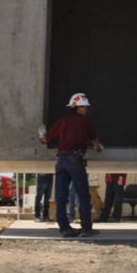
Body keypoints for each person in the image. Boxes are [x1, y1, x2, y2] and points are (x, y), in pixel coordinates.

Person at [40, 92, 103, 237]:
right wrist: (98, 148)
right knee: (83, 195)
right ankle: (87, 229)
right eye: (84, 107)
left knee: (61, 197)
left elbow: (46, 139)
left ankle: (65, 229)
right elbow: (94, 139)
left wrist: (41, 136)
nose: (86, 109)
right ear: (77, 107)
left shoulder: (62, 121)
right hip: (75, 161)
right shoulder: (85, 122)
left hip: (61, 162)